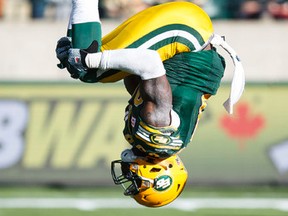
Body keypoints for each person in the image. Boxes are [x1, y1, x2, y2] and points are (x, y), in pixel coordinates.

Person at [56, 0, 245, 207]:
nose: (129, 176)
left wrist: (74, 53)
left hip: (185, 34)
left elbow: (133, 73)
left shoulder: (150, 140)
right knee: (90, 66)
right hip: (186, 31)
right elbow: (149, 63)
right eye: (138, 182)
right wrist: (92, 61)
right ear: (159, 175)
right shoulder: (158, 137)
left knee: (84, 61)